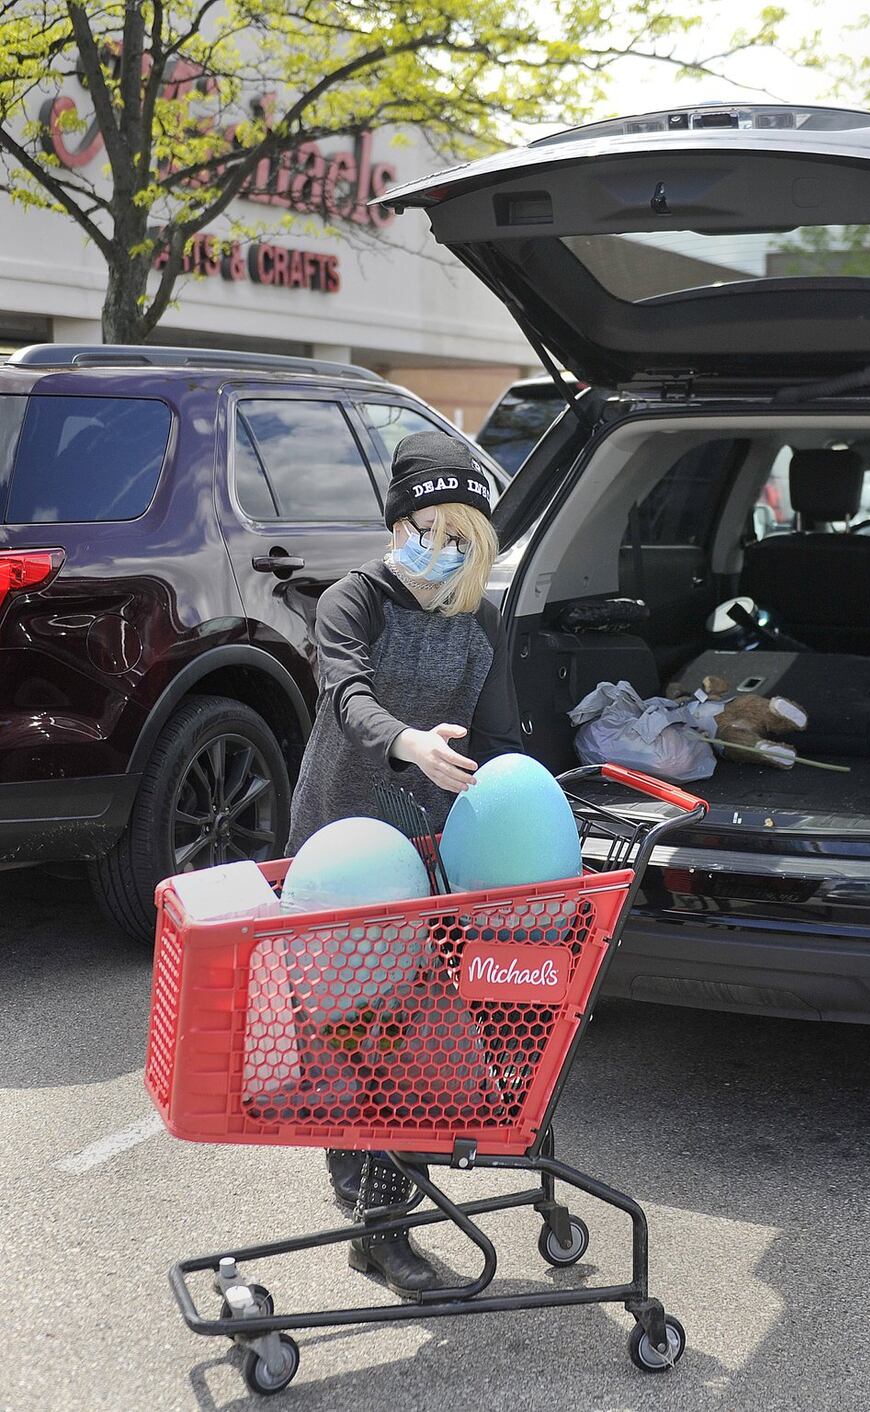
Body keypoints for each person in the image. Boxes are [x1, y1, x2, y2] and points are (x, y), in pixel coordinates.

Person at [288, 430, 522, 1295]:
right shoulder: (354, 602)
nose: (441, 549)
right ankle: (379, 1228)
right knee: (353, 1038)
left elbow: (500, 739)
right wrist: (410, 743)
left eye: (460, 537)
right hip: (340, 846)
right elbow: (346, 697)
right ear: (396, 522)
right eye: (426, 526)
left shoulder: (481, 620)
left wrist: (528, 806)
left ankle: (386, 1210)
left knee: (415, 1038)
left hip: (431, 851)